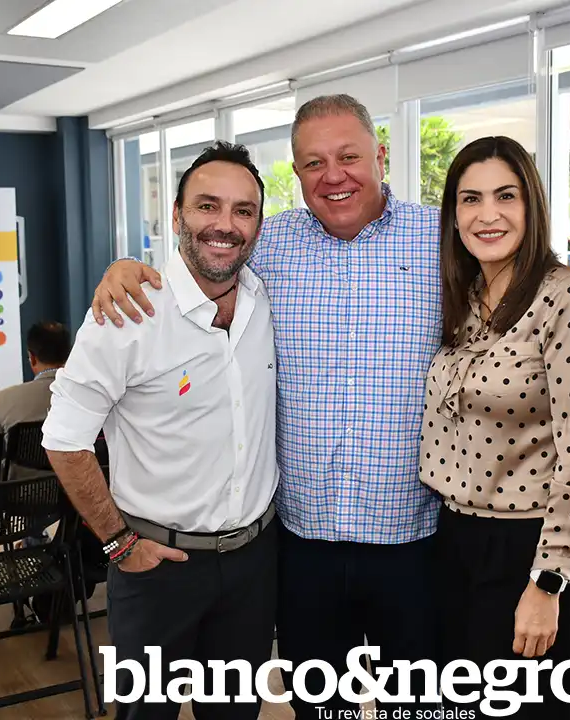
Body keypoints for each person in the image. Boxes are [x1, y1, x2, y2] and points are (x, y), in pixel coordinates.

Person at [90, 95, 442, 719]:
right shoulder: (268, 243)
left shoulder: (442, 241)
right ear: (297, 173)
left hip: (412, 540)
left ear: (381, 156)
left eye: (348, 156)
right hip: (300, 545)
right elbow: (201, 258)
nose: (333, 176)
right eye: (313, 163)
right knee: (319, 708)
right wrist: (124, 267)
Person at [41, 142, 279, 720]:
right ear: (176, 216)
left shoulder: (266, 294)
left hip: (253, 563)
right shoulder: (128, 313)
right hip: (157, 568)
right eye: (207, 206)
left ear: (259, 224)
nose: (225, 225)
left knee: (236, 716)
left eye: (243, 210)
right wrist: (117, 542)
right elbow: (64, 438)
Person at [421, 137, 570, 718]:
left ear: (532, 206)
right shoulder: (466, 298)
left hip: (531, 548)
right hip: (454, 540)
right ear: (454, 214)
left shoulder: (568, 298)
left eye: (506, 196)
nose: (488, 214)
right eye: (470, 198)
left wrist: (547, 583)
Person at [0, 320, 71, 483]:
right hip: (75, 490)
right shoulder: (90, 396)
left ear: (32, 358)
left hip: (20, 491)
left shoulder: (6, 398)